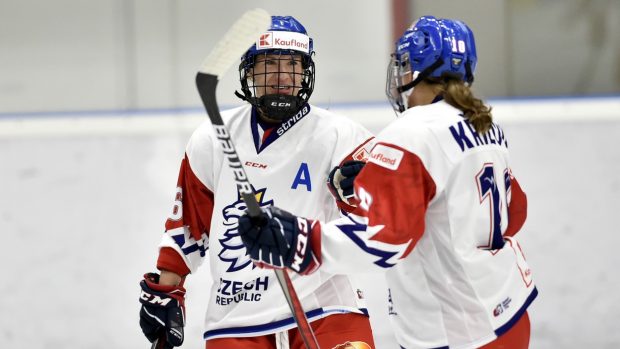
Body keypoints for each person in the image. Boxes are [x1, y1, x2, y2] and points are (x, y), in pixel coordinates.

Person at [238, 15, 538, 349]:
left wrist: (300, 241)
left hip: (457, 331)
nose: (401, 76)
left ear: (418, 71)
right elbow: (515, 211)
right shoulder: (483, 124)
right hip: (509, 309)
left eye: (405, 66)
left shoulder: (411, 131)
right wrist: (382, 186)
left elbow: (384, 241)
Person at [138, 15, 377, 349]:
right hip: (235, 317)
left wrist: (361, 193)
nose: (282, 76)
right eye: (269, 64)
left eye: (293, 64)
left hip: (324, 306)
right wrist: (168, 291)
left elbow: (381, 224)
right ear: (249, 71)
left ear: (306, 71)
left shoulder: (342, 136)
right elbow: (188, 228)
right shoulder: (211, 140)